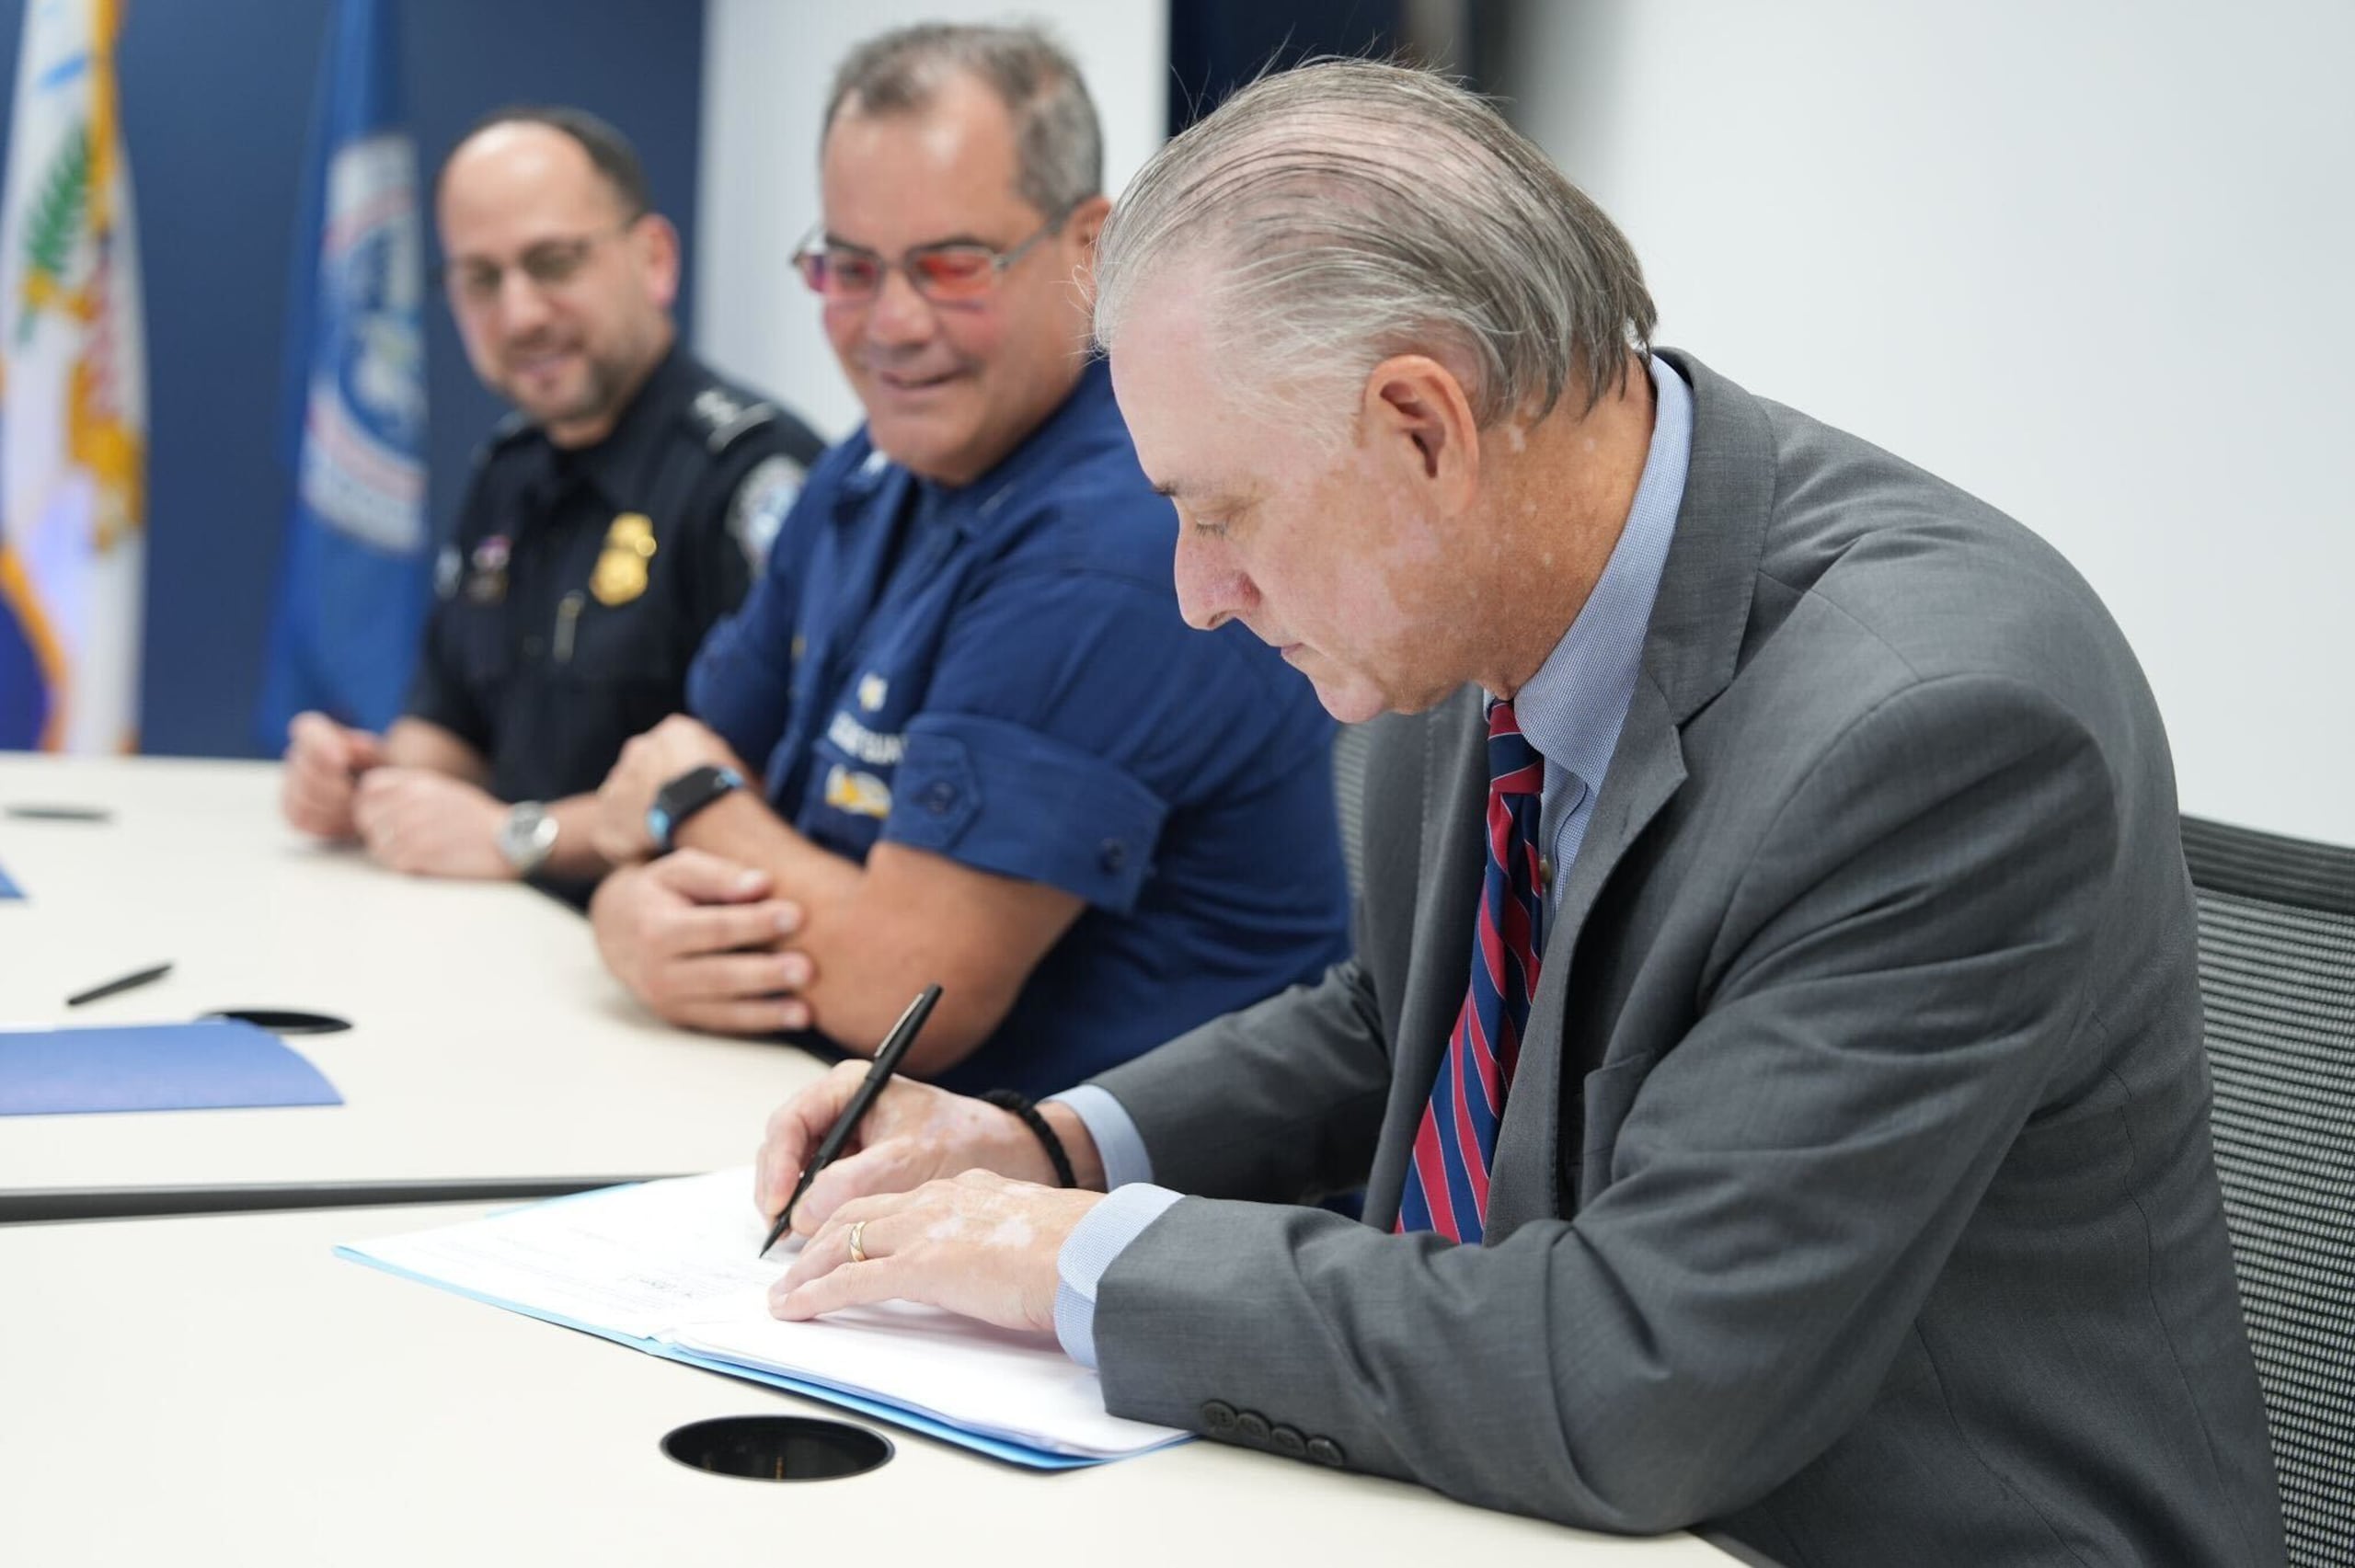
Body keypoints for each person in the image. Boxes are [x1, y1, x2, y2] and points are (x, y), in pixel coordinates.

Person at [745, 61, 2285, 1564]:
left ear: (1425, 427)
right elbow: (1396, 1022)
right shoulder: (1474, 594)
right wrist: (1054, 1148)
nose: (1198, 596)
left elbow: (1646, 1376)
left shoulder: (1941, 729)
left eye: (1221, 514)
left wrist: (1080, 1259)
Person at [584, 25, 1349, 1098]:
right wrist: (630, 906)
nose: (891, 325)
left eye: (950, 266)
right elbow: (666, 782)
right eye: (850, 268)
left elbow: (900, 994)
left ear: (1090, 248)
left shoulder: (1120, 533)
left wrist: (691, 805)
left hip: (1103, 1216)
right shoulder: (881, 460)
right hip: (845, 1137)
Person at [280, 107, 823, 892]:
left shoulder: (753, 479)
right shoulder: (508, 470)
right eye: (480, 278)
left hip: (675, 970)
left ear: (655, 260)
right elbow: (451, 722)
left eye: (555, 262)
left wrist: (519, 837)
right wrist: (370, 784)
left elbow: (762, 790)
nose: (521, 314)